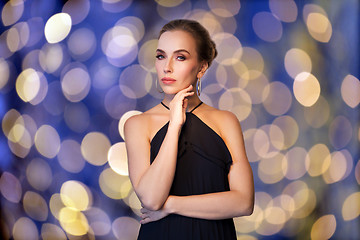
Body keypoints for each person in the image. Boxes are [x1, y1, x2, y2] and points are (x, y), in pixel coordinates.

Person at [124, 19, 254, 240]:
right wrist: (174, 125)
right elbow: (152, 200)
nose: (167, 67)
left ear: (202, 67)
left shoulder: (226, 121)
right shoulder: (138, 124)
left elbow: (244, 203)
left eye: (180, 57)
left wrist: (171, 205)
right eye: (161, 56)